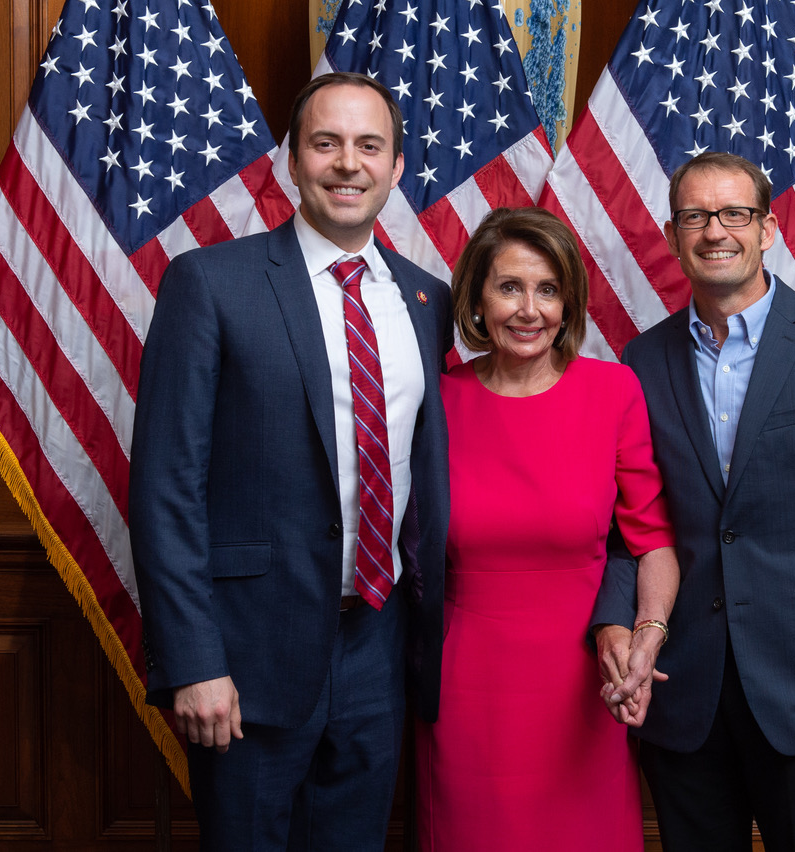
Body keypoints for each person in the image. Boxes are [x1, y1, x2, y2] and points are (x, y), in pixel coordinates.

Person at [128, 73, 451, 851]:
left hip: (378, 644)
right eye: (326, 143)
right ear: (292, 162)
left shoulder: (427, 298)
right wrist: (193, 660)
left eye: (369, 146)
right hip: (246, 656)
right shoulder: (211, 283)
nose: (349, 163)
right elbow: (165, 489)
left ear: (396, 166)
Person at [596, 152, 795, 852]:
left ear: (767, 229)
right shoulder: (641, 363)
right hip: (685, 691)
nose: (716, 231)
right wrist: (617, 629)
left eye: (734, 213)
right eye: (696, 217)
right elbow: (631, 525)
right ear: (675, 235)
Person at [413, 207, 679, 851]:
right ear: (477, 298)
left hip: (586, 679)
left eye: (548, 289)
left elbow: (653, 542)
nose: (529, 309)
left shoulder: (613, 391)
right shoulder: (437, 399)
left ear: (569, 304)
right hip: (463, 684)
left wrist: (646, 637)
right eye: (509, 287)